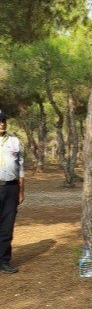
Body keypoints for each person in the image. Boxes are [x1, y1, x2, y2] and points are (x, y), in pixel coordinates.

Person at [0, 109, 25, 274]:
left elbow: (21, 168)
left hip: (11, 188)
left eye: (3, 120)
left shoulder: (15, 142)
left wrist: (21, 191)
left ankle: (3, 261)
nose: (2, 123)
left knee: (7, 226)